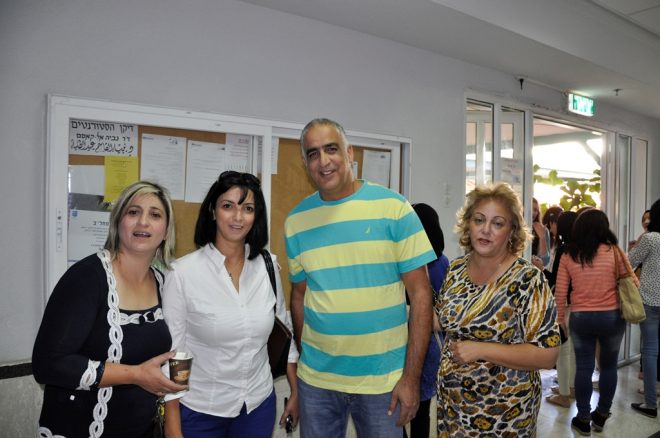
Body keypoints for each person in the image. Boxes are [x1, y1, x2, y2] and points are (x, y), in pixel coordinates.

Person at [285, 118, 435, 437]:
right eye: (313, 153)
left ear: (349, 152)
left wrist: (411, 378)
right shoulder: (296, 221)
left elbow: (422, 294)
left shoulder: (394, 209)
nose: (323, 161)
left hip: (383, 383)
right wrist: (305, 357)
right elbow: (299, 295)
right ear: (305, 163)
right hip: (317, 383)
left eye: (331, 149)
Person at [33, 181, 186, 437]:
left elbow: (173, 354)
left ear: (166, 232)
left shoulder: (163, 283)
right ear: (117, 223)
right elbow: (48, 364)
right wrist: (135, 375)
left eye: (155, 215)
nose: (143, 222)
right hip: (81, 428)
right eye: (133, 212)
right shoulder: (86, 278)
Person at [162, 171, 299, 438]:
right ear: (213, 211)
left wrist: (295, 391)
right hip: (201, 409)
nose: (238, 217)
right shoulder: (182, 274)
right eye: (228, 206)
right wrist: (173, 424)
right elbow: (175, 355)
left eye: (248, 209)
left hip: (257, 405)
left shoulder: (267, 266)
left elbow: (284, 331)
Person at [435, 182, 560, 437]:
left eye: (498, 223)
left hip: (505, 415)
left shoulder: (528, 279)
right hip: (453, 408)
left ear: (512, 230)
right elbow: (442, 320)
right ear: (468, 223)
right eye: (479, 220)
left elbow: (548, 355)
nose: (486, 230)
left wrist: (480, 349)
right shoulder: (456, 269)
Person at [554, 209, 639, 434]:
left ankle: (583, 418)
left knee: (584, 367)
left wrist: (560, 319)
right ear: (604, 228)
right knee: (608, 366)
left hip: (581, 318)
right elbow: (633, 282)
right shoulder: (615, 251)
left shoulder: (569, 254)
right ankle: (601, 415)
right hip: (611, 317)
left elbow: (560, 292)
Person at [404, 203, 450, 438]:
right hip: (435, 344)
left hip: (411, 344)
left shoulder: (410, 266)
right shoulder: (445, 262)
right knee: (422, 409)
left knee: (400, 407)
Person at [628, 199, 660, 418]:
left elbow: (628, 262)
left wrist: (634, 246)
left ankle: (650, 404)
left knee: (649, 351)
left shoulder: (651, 238)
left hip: (650, 301)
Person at [544, 211, 578, 408]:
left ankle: (564, 394)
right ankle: (571, 387)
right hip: (579, 304)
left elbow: (556, 280)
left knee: (564, 349)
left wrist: (541, 269)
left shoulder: (564, 249)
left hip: (564, 303)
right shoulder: (583, 248)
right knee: (572, 349)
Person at [531, 197, 552, 267]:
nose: (533, 212)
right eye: (531, 208)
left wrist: (542, 238)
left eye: (535, 210)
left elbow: (545, 262)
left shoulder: (543, 230)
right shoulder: (513, 227)